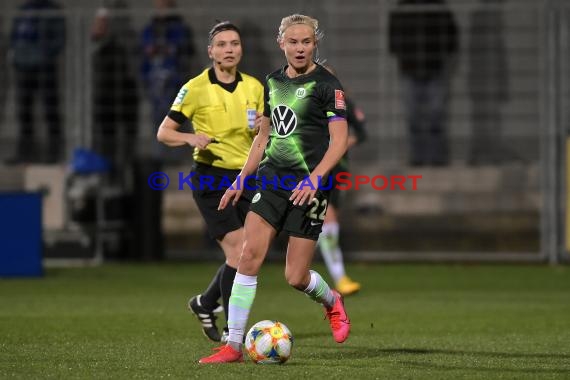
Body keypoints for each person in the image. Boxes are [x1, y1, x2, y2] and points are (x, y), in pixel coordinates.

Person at [199, 14, 351, 364]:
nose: (300, 48)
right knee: (248, 255)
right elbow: (264, 136)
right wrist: (241, 179)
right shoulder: (272, 82)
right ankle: (233, 345)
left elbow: (339, 142)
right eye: (293, 41)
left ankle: (331, 301)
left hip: (309, 187)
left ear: (315, 43)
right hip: (271, 180)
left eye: (306, 42)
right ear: (280, 43)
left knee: (295, 277)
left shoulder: (328, 85)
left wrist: (315, 179)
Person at [156, 21, 264, 343]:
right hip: (211, 178)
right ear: (211, 51)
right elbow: (163, 133)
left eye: (234, 43)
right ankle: (235, 331)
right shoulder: (195, 88)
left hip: (246, 177)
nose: (229, 49)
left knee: (245, 253)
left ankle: (205, 303)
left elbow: (264, 136)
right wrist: (191, 138)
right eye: (222, 44)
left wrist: (263, 126)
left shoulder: (256, 88)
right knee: (240, 250)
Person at [388, 0, 459, 166]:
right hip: (413, 68)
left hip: (433, 68)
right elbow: (393, 42)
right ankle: (419, 158)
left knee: (435, 116)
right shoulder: (402, 9)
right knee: (416, 117)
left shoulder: (439, 7)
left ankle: (436, 159)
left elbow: (451, 38)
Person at [318, 65, 367, 297]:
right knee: (327, 216)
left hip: (339, 168)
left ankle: (315, 272)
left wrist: (344, 142)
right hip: (312, 168)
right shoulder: (303, 102)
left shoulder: (344, 103)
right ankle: (339, 276)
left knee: (326, 216)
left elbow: (362, 133)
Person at [9, 0, 66, 163]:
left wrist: (45, 53)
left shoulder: (53, 11)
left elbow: (59, 40)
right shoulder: (22, 10)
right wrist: (16, 55)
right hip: (23, 67)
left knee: (50, 111)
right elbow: (14, 36)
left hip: (44, 67)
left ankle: (54, 153)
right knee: (24, 112)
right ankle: (25, 153)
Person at [91, 1, 139, 170]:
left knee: (127, 135)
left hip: (125, 91)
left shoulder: (128, 38)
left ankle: (127, 166)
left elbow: (132, 64)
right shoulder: (98, 42)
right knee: (106, 135)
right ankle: (107, 166)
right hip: (105, 92)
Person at [467, 0, 511, 165]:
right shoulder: (483, 21)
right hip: (484, 80)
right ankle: (481, 155)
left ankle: (486, 155)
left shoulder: (493, 23)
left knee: (490, 119)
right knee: (484, 120)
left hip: (489, 79)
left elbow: (499, 57)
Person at [141, 0, 195, 133]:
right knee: (159, 124)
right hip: (155, 86)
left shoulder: (182, 30)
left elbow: (188, 55)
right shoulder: (149, 30)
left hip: (177, 85)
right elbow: (143, 57)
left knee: (178, 122)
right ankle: (160, 153)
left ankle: (178, 152)